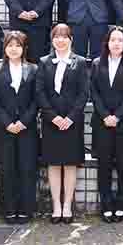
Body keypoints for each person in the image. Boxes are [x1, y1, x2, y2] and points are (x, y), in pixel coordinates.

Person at [36, 24, 89, 224]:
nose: (60, 40)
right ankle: (56, 206)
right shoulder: (44, 62)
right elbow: (40, 92)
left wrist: (70, 117)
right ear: (52, 40)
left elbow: (84, 93)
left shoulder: (80, 62)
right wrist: (53, 117)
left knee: (70, 163)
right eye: (57, 36)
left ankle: (67, 206)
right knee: (54, 163)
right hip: (51, 122)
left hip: (72, 122)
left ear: (71, 39)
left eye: (64, 36)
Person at [0, 31, 38, 224]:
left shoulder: (33, 69)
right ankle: (8, 209)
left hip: (27, 128)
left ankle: (26, 209)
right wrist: (7, 122)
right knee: (6, 169)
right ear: (5, 48)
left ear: (24, 48)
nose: (14, 49)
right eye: (10, 45)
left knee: (27, 168)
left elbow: (36, 99)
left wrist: (24, 122)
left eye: (18, 45)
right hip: (4, 128)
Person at [90, 26, 123, 223]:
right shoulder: (96, 63)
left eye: (120, 40)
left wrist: (117, 116)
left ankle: (121, 203)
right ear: (107, 43)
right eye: (113, 40)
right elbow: (93, 92)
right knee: (104, 165)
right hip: (101, 122)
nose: (116, 43)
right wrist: (105, 115)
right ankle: (106, 204)